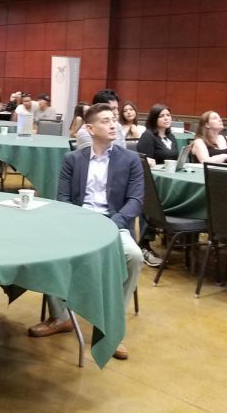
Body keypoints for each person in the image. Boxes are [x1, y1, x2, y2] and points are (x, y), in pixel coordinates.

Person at [27, 103, 143, 360]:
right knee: (49, 251)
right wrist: (81, 224)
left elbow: (135, 201)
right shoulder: (72, 160)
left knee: (134, 257)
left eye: (113, 120)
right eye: (105, 121)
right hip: (78, 223)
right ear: (90, 129)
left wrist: (112, 223)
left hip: (114, 224)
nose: (113, 124)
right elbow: (63, 199)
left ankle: (112, 326)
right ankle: (60, 316)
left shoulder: (131, 160)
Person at [135, 104, 179, 268]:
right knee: (151, 203)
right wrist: (148, 160)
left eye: (168, 115)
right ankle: (145, 245)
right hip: (152, 183)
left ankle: (176, 235)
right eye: (162, 116)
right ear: (154, 119)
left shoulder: (171, 137)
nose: (167, 118)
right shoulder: (148, 136)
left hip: (169, 180)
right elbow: (143, 160)